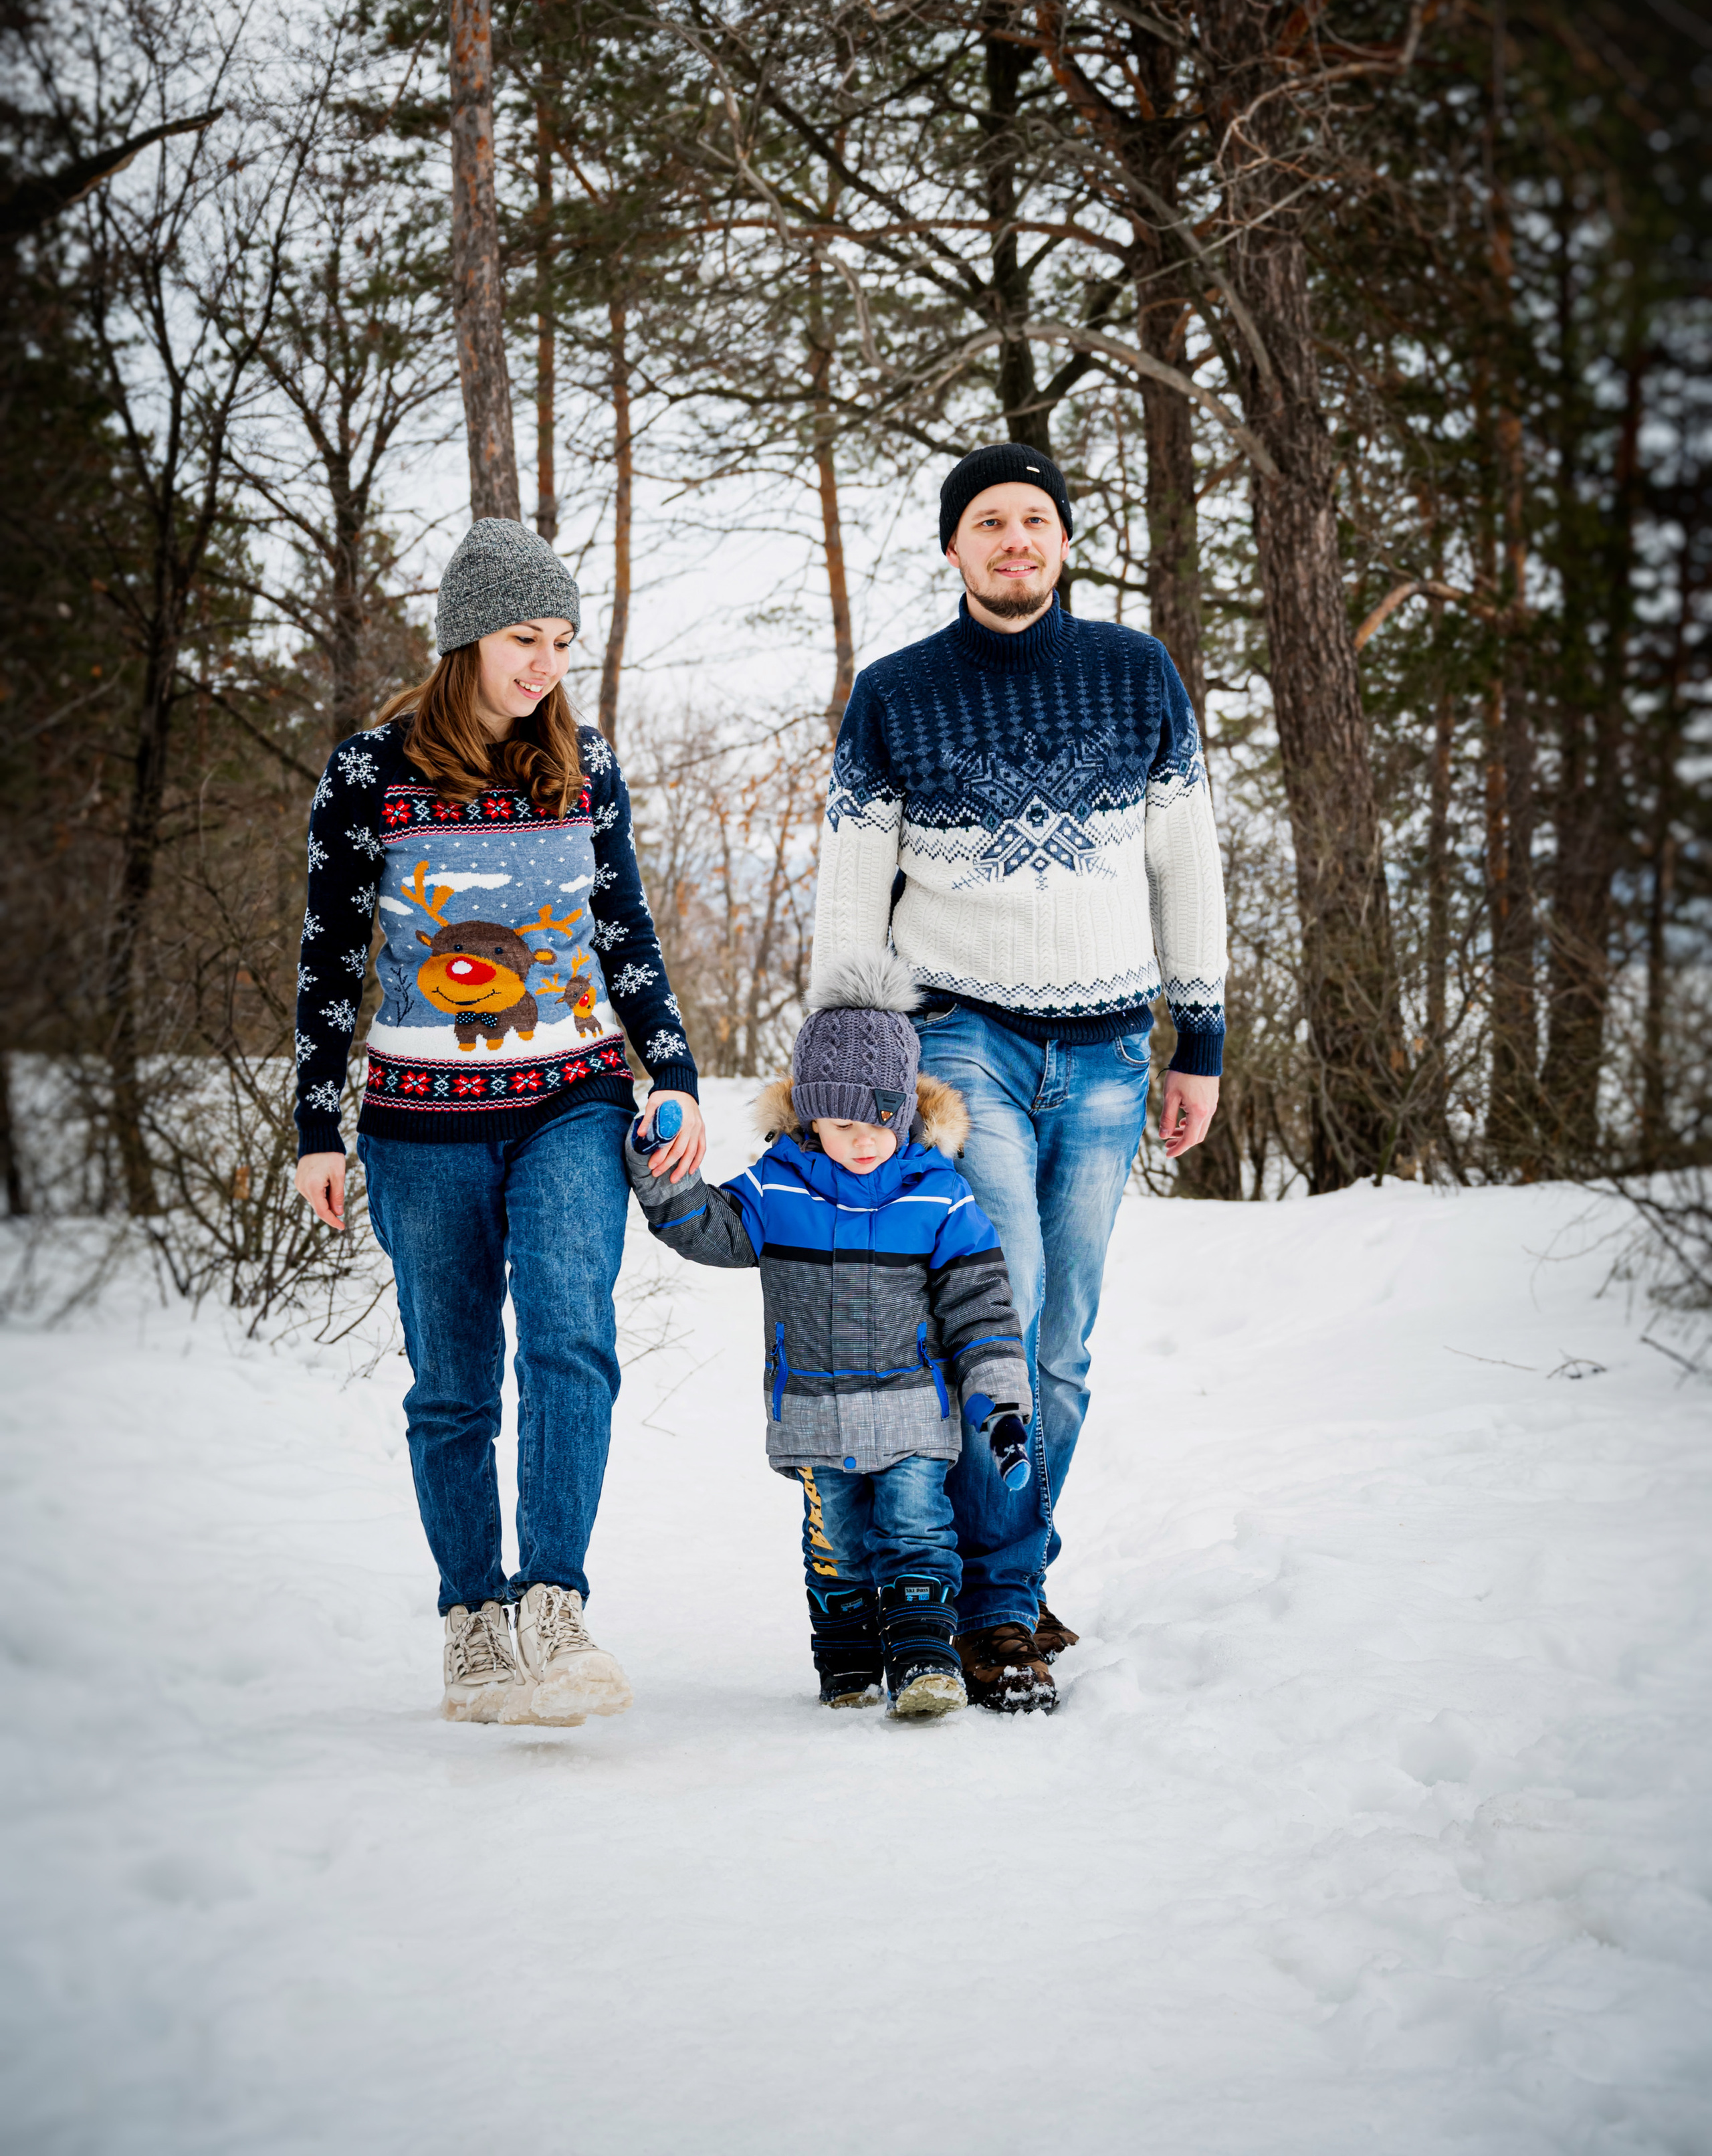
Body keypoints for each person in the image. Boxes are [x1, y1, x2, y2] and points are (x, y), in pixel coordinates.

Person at [810, 440, 1228, 1710]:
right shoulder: (895, 695)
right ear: (954, 547)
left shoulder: (1137, 674)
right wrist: (844, 1065)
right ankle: (993, 1608)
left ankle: (1004, 1573)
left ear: (1063, 541)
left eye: (1034, 518)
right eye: (988, 520)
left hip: (1108, 1050)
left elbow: (1189, 863)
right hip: (959, 1041)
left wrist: (1200, 1037)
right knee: (1004, 1306)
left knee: (1061, 1346)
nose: (1014, 539)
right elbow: (850, 897)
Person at [292, 516, 705, 1727]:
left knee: (571, 1335)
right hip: (417, 1119)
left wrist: (673, 1069)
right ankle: (473, 1615)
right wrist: (317, 1127)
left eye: (562, 640)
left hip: (573, 1098)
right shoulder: (368, 775)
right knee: (453, 1382)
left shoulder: (586, 765)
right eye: (526, 637)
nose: (546, 664)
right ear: (467, 636)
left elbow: (625, 930)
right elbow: (329, 961)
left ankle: (554, 1601)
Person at [623, 948, 1035, 1717]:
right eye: (844, 1122)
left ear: (905, 1110)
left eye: (882, 1120)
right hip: (815, 1412)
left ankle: (924, 1662)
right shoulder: (777, 1185)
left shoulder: (939, 1195)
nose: (865, 1138)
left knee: (917, 1530)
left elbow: (982, 1307)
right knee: (837, 1545)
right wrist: (660, 1172)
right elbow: (710, 1228)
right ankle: (847, 1666)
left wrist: (1001, 1404)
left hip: (915, 1411)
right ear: (810, 1114)